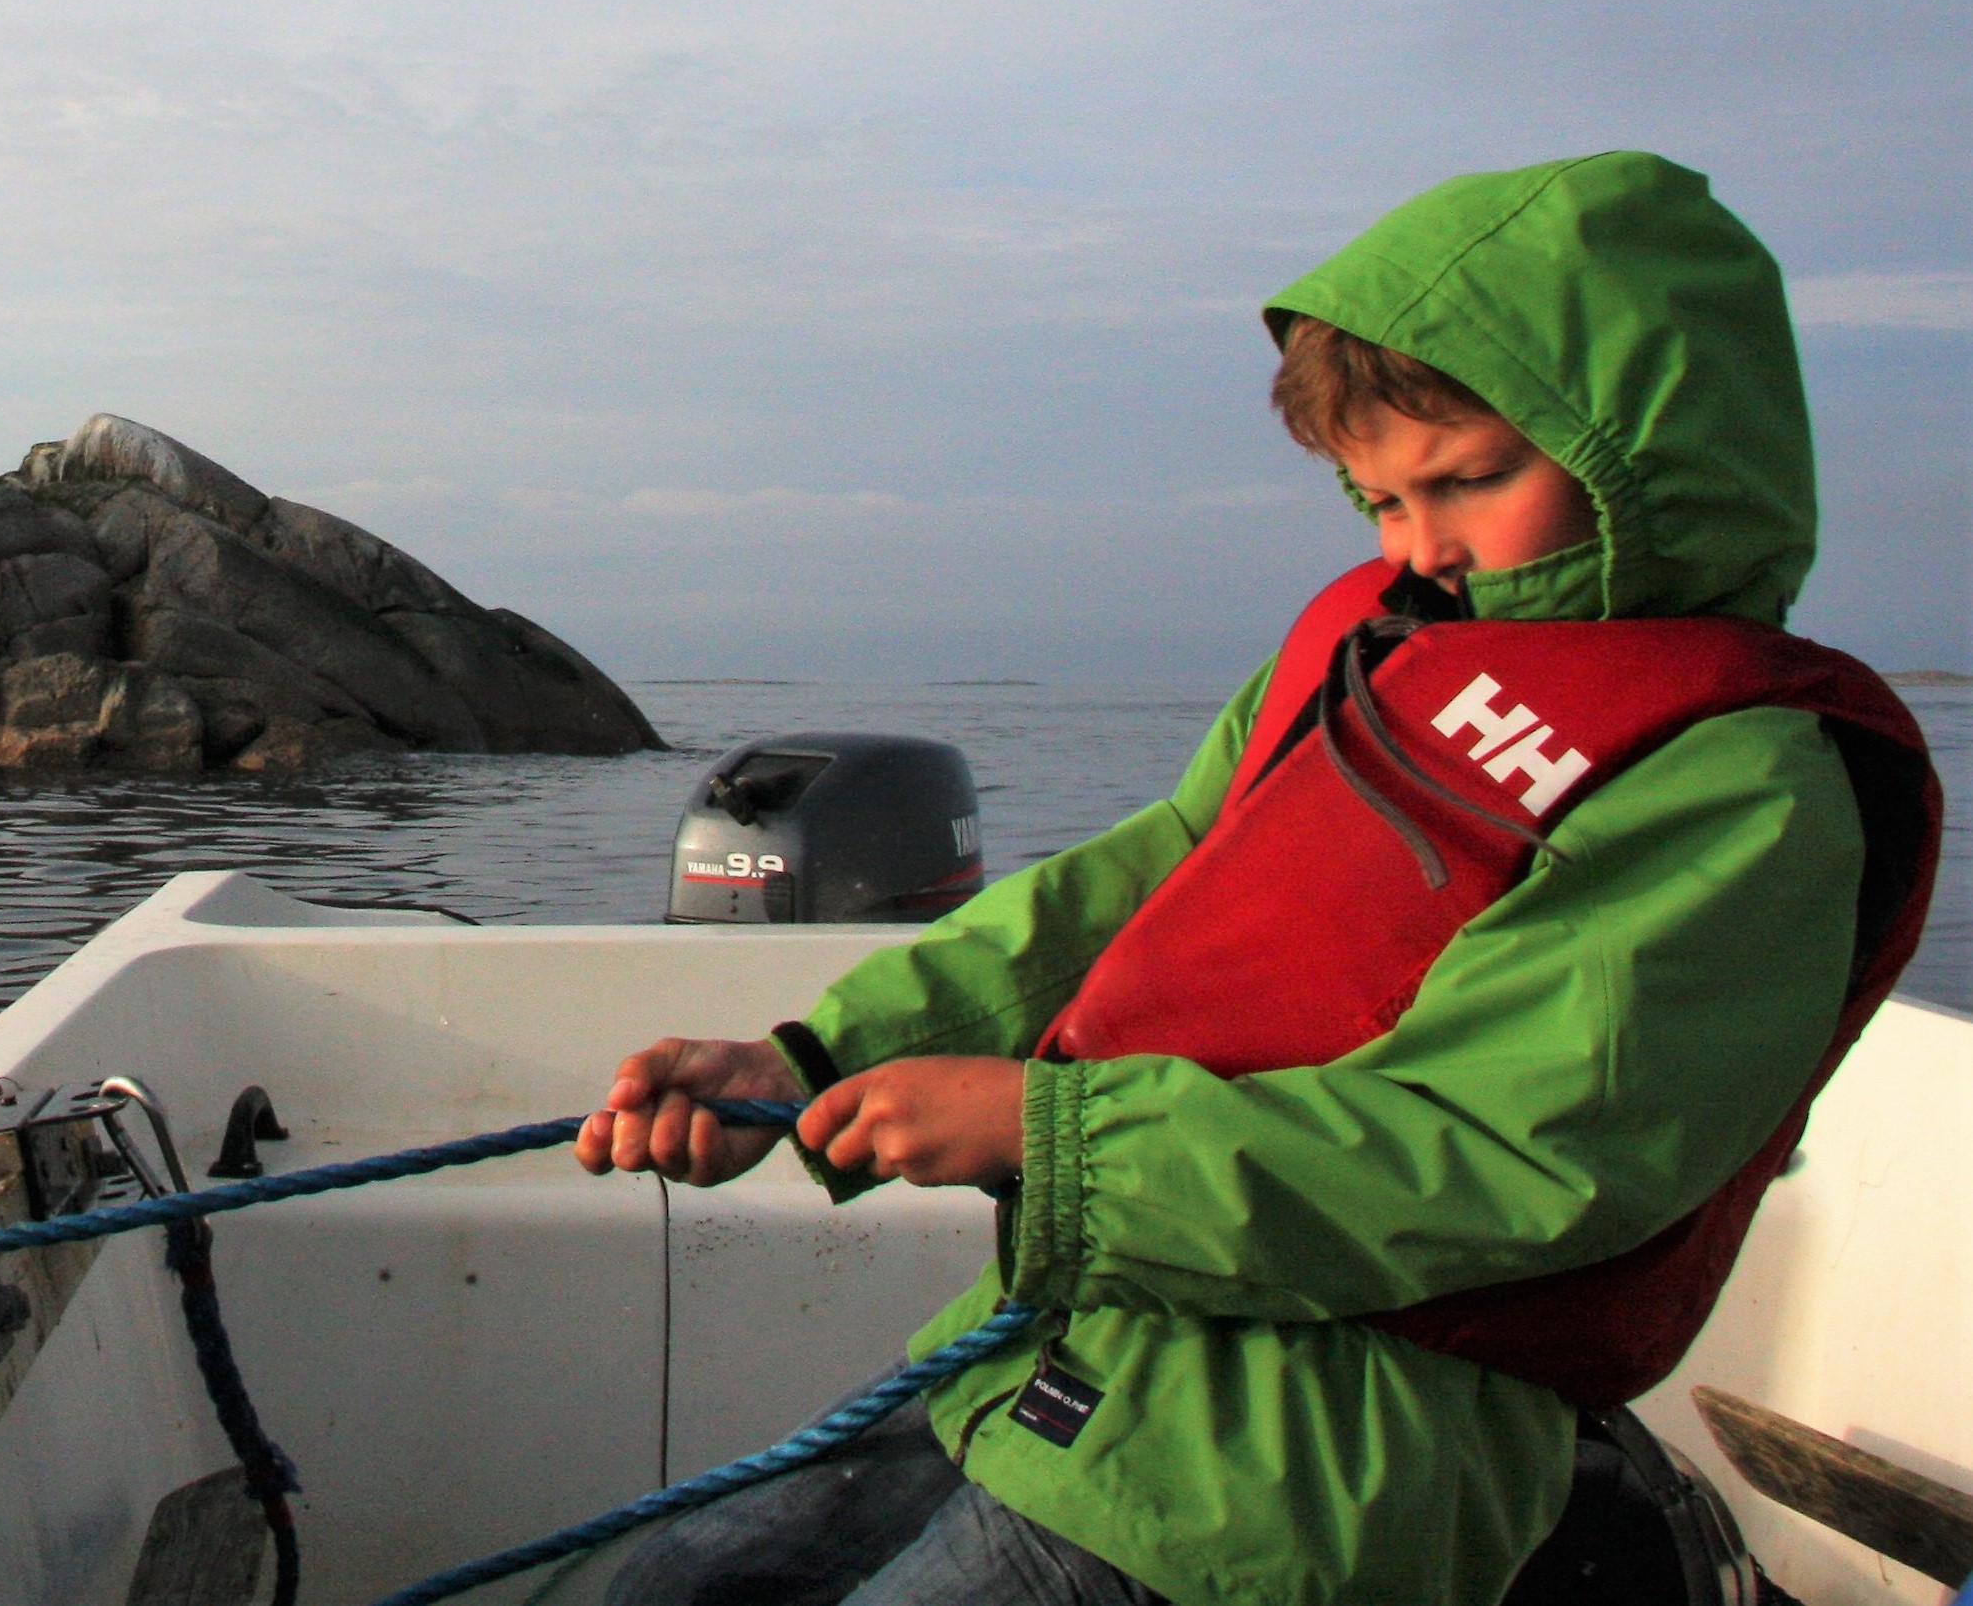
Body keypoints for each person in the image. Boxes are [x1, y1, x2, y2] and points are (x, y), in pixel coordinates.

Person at [575, 152, 1941, 1606]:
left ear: (1647, 445)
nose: (1423, 549)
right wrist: (813, 1059)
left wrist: (1053, 1141)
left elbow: (1514, 1161)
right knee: (657, 1585)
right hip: (1091, 1344)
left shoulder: (1744, 784)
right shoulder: (1381, 641)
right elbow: (1154, 877)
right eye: (1374, 503)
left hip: (1321, 1463)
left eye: (1468, 482)